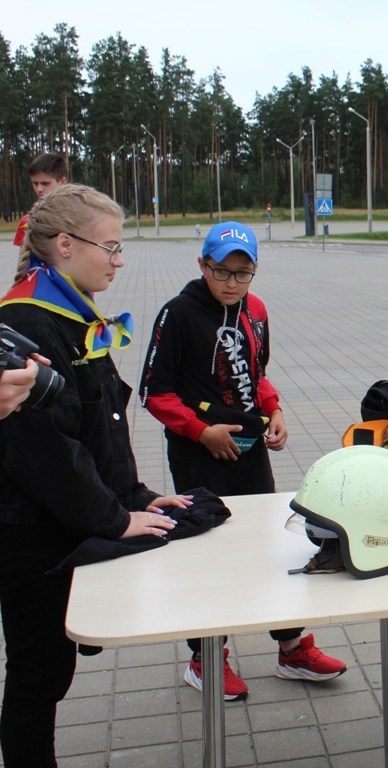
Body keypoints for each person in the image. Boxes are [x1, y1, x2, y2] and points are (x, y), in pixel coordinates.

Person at [0, 185, 187, 768]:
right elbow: (44, 449)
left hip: (58, 518)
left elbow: (101, 425)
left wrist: (140, 497)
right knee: (38, 673)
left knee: (51, 668)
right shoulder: (28, 319)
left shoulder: (70, 306)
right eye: (110, 246)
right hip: (28, 531)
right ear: (64, 244)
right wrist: (112, 518)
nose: (119, 259)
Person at [140, 221, 346, 701]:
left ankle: (291, 647)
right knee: (209, 553)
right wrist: (199, 431)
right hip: (198, 453)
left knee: (269, 544)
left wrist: (274, 410)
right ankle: (205, 657)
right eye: (221, 272)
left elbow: (258, 375)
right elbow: (156, 392)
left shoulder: (255, 309)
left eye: (243, 273)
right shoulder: (179, 314)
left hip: (250, 452)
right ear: (202, 266)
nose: (231, 283)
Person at [13, 153, 69, 248]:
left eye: (45, 183)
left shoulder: (78, 218)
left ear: (62, 182)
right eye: (35, 183)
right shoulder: (27, 221)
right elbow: (23, 260)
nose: (39, 189)